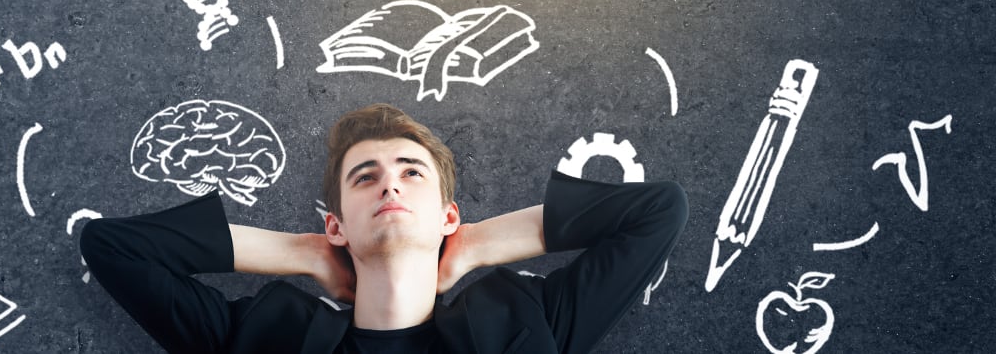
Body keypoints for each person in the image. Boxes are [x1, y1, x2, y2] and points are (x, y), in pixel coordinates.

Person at [81, 103, 688, 353]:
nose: (390, 185)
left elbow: (657, 211)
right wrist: (307, 253)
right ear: (337, 223)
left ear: (448, 215)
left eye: (412, 173)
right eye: (365, 177)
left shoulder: (525, 324)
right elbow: (112, 248)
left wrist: (473, 247)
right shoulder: (268, 337)